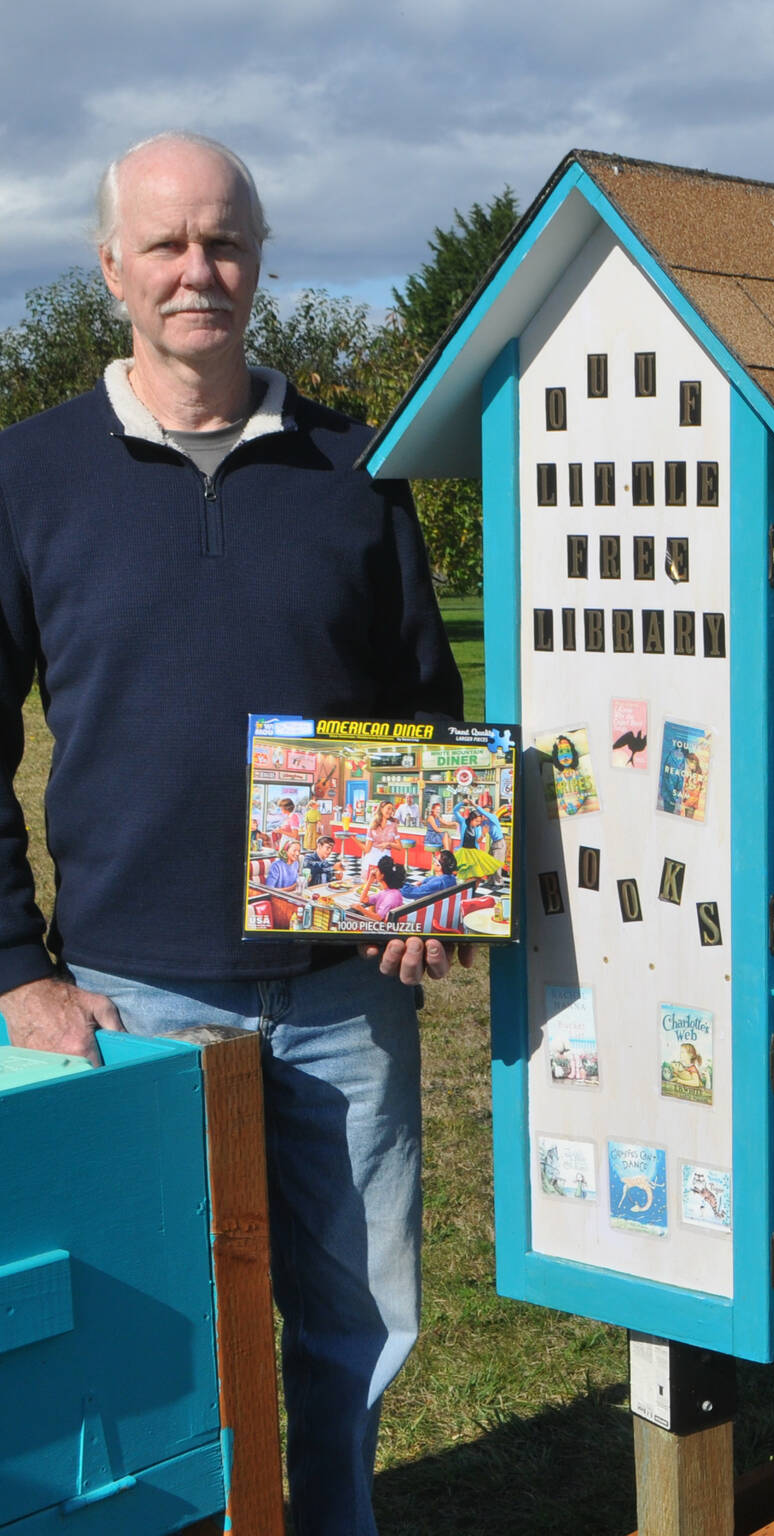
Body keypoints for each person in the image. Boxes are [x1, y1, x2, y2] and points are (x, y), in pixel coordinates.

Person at [0, 131, 466, 1536]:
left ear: (259, 258)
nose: (198, 270)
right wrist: (13, 964)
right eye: (166, 244)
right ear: (113, 270)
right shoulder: (26, 476)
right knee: (159, 1340)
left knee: (361, 1324)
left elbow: (420, 711)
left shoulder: (356, 466)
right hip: (130, 1002)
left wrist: (429, 882)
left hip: (341, 1001)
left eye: (225, 240)